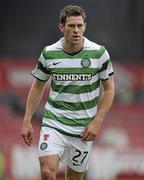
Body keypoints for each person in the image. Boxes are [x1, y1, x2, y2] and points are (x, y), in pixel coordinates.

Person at [21, 4, 115, 180]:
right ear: (62, 27)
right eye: (71, 26)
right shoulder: (49, 53)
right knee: (47, 172)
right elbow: (37, 86)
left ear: (85, 26)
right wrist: (27, 120)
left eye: (80, 25)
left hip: (83, 129)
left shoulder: (98, 53)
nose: (76, 30)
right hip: (54, 122)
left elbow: (109, 89)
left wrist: (98, 121)